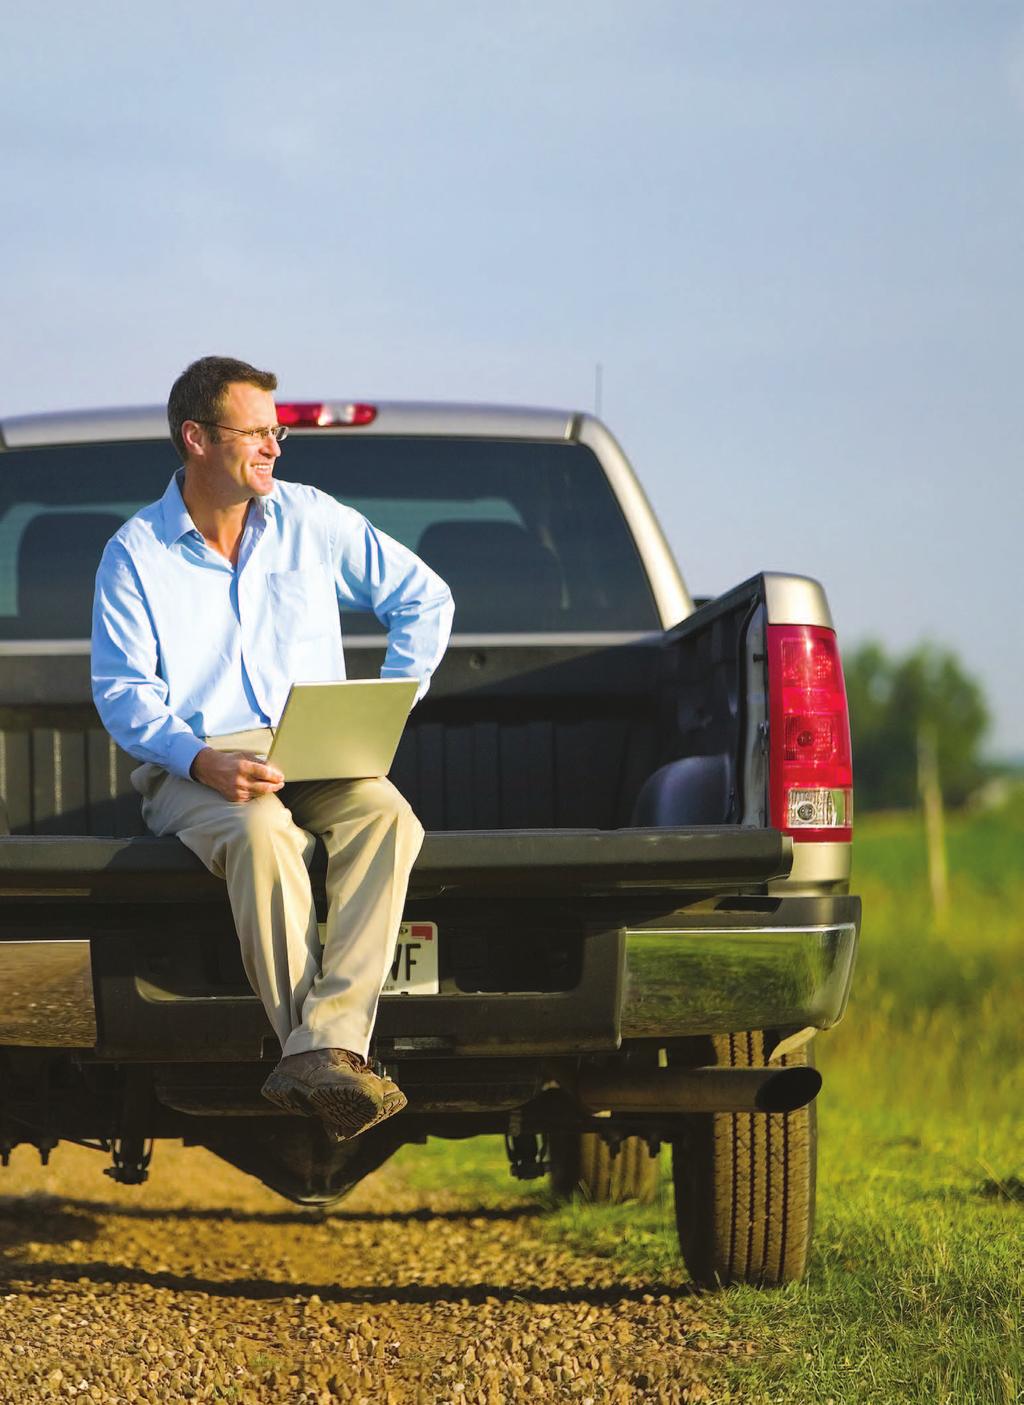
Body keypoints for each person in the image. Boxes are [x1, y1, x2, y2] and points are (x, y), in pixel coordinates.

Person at [91, 356, 453, 1141]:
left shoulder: (311, 517)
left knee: (390, 817)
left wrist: (392, 695)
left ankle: (319, 1051)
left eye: (276, 431)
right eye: (255, 432)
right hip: (193, 762)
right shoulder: (135, 554)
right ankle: (326, 1061)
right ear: (195, 438)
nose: (274, 448)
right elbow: (124, 693)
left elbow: (425, 597)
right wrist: (201, 760)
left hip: (312, 748)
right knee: (262, 834)